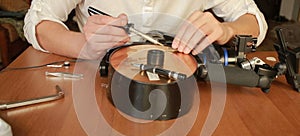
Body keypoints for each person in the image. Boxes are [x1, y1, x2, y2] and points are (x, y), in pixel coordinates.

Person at [24, 0, 267, 60]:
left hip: (183, 86)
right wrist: (84, 47)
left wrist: (226, 30)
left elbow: (254, 21)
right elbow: (39, 22)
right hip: (95, 82)